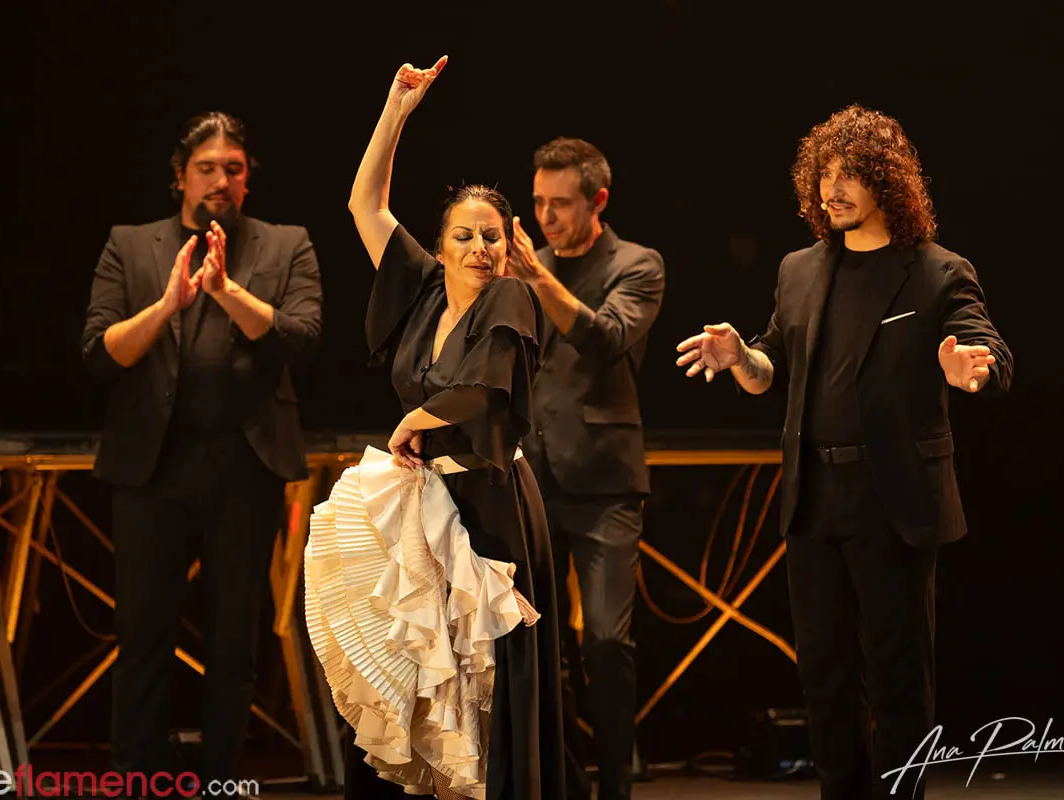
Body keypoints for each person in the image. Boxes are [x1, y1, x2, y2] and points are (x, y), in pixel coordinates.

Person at [675, 105, 1012, 799]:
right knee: (823, 678)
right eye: (825, 173)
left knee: (896, 679)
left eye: (851, 174)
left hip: (893, 501)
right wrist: (742, 357)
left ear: (889, 183)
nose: (834, 188)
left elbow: (989, 348)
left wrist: (974, 368)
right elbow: (773, 365)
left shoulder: (937, 273)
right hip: (814, 500)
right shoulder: (800, 270)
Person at [310, 56, 564, 800]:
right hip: (423, 511)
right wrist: (397, 110)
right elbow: (364, 204)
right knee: (417, 678)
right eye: (464, 236)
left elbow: (483, 390)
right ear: (442, 243)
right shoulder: (421, 290)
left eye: (493, 235)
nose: (480, 248)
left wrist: (414, 418)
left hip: (489, 512)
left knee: (486, 688)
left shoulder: (510, 300)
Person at [80, 112, 323, 796]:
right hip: (152, 466)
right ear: (179, 176)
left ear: (248, 180)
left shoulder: (285, 245)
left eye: (235, 169)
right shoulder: (130, 245)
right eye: (208, 168)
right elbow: (98, 356)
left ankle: (219, 780)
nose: (221, 180)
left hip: (244, 468)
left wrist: (224, 291)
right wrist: (168, 305)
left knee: (233, 641)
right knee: (143, 634)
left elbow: (301, 342)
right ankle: (137, 780)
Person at [507, 138, 664, 800]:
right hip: (534, 478)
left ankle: (616, 786)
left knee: (604, 642)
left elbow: (603, 341)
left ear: (598, 200)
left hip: (604, 483)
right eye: (538, 203)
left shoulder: (637, 264)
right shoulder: (528, 266)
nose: (546, 217)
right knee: (539, 650)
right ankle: (558, 781)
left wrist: (537, 281)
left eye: (561, 204)